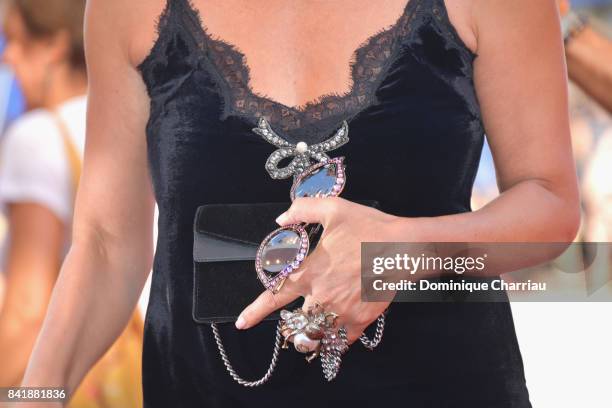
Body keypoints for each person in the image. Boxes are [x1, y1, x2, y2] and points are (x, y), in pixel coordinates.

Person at [22, 0, 579, 407]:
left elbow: (550, 206)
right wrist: (33, 397)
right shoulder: (128, 9)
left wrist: (404, 250)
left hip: (444, 384)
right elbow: (103, 246)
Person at [0, 1, 142, 406]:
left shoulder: (39, 137)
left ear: (56, 46)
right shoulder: (147, 121)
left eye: (17, 41)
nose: (7, 56)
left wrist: (18, 394)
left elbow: (29, 315)